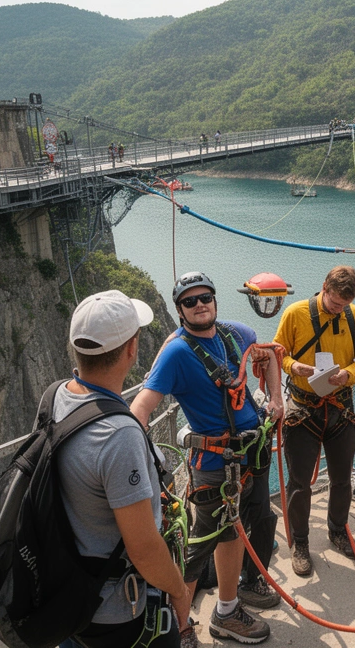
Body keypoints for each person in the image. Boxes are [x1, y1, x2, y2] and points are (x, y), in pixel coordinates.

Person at [132, 273, 282, 647]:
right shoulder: (177, 352)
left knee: (240, 530)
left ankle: (227, 609)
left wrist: (276, 398)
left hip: (252, 453)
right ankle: (178, 626)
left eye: (205, 298)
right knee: (202, 542)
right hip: (216, 465)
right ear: (180, 309)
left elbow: (271, 353)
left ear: (215, 300)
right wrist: (132, 455)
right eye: (189, 301)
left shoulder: (237, 334)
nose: (200, 305)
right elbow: (143, 406)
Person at [53, 290, 189, 648]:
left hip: (69, 590)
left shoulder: (57, 396)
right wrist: (178, 591)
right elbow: (144, 547)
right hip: (117, 609)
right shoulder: (119, 434)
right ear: (131, 350)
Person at [273, 265, 355, 576]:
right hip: (304, 408)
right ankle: (300, 543)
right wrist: (295, 368)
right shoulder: (295, 313)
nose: (339, 309)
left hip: (339, 408)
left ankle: (338, 529)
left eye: (344, 305)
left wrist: (350, 374)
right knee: (300, 483)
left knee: (342, 478)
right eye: (334, 304)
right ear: (324, 288)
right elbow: (278, 353)